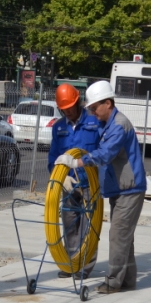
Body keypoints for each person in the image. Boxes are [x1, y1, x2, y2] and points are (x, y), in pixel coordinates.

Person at [54, 80, 147, 294]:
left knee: (117, 236)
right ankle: (127, 280)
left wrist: (76, 162)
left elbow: (105, 154)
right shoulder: (107, 124)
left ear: (108, 103)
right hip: (121, 189)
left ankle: (113, 282)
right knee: (124, 237)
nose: (93, 112)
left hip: (130, 189)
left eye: (95, 108)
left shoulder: (118, 125)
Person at [47, 83, 102, 279]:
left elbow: (101, 152)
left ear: (77, 102)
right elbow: (53, 157)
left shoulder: (94, 122)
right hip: (68, 184)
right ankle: (70, 264)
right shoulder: (59, 127)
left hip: (89, 184)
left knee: (89, 227)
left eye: (70, 107)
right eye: (64, 108)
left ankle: (84, 267)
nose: (68, 111)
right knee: (70, 225)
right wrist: (61, 178)